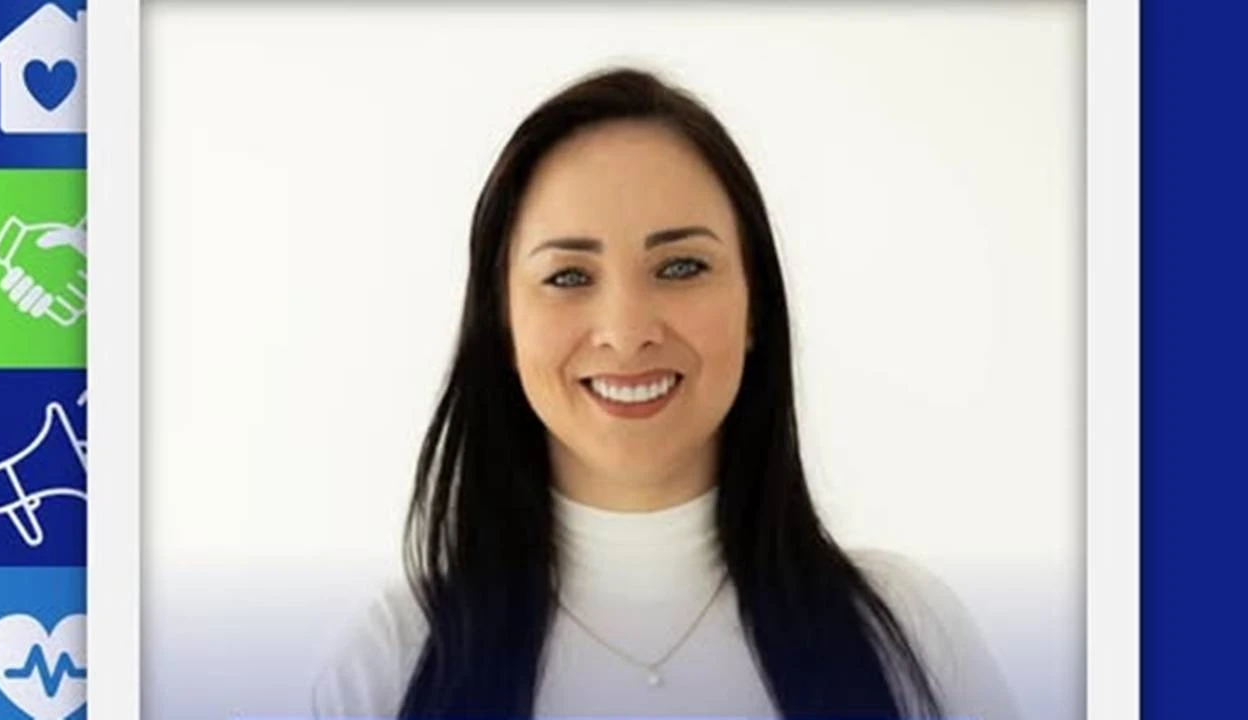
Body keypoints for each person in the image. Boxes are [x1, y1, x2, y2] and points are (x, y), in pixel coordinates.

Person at [312, 66, 1022, 719]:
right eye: (568, 276)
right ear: (502, 321)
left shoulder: (909, 637)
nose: (626, 334)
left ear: (755, 307)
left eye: (681, 267)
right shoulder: (392, 662)